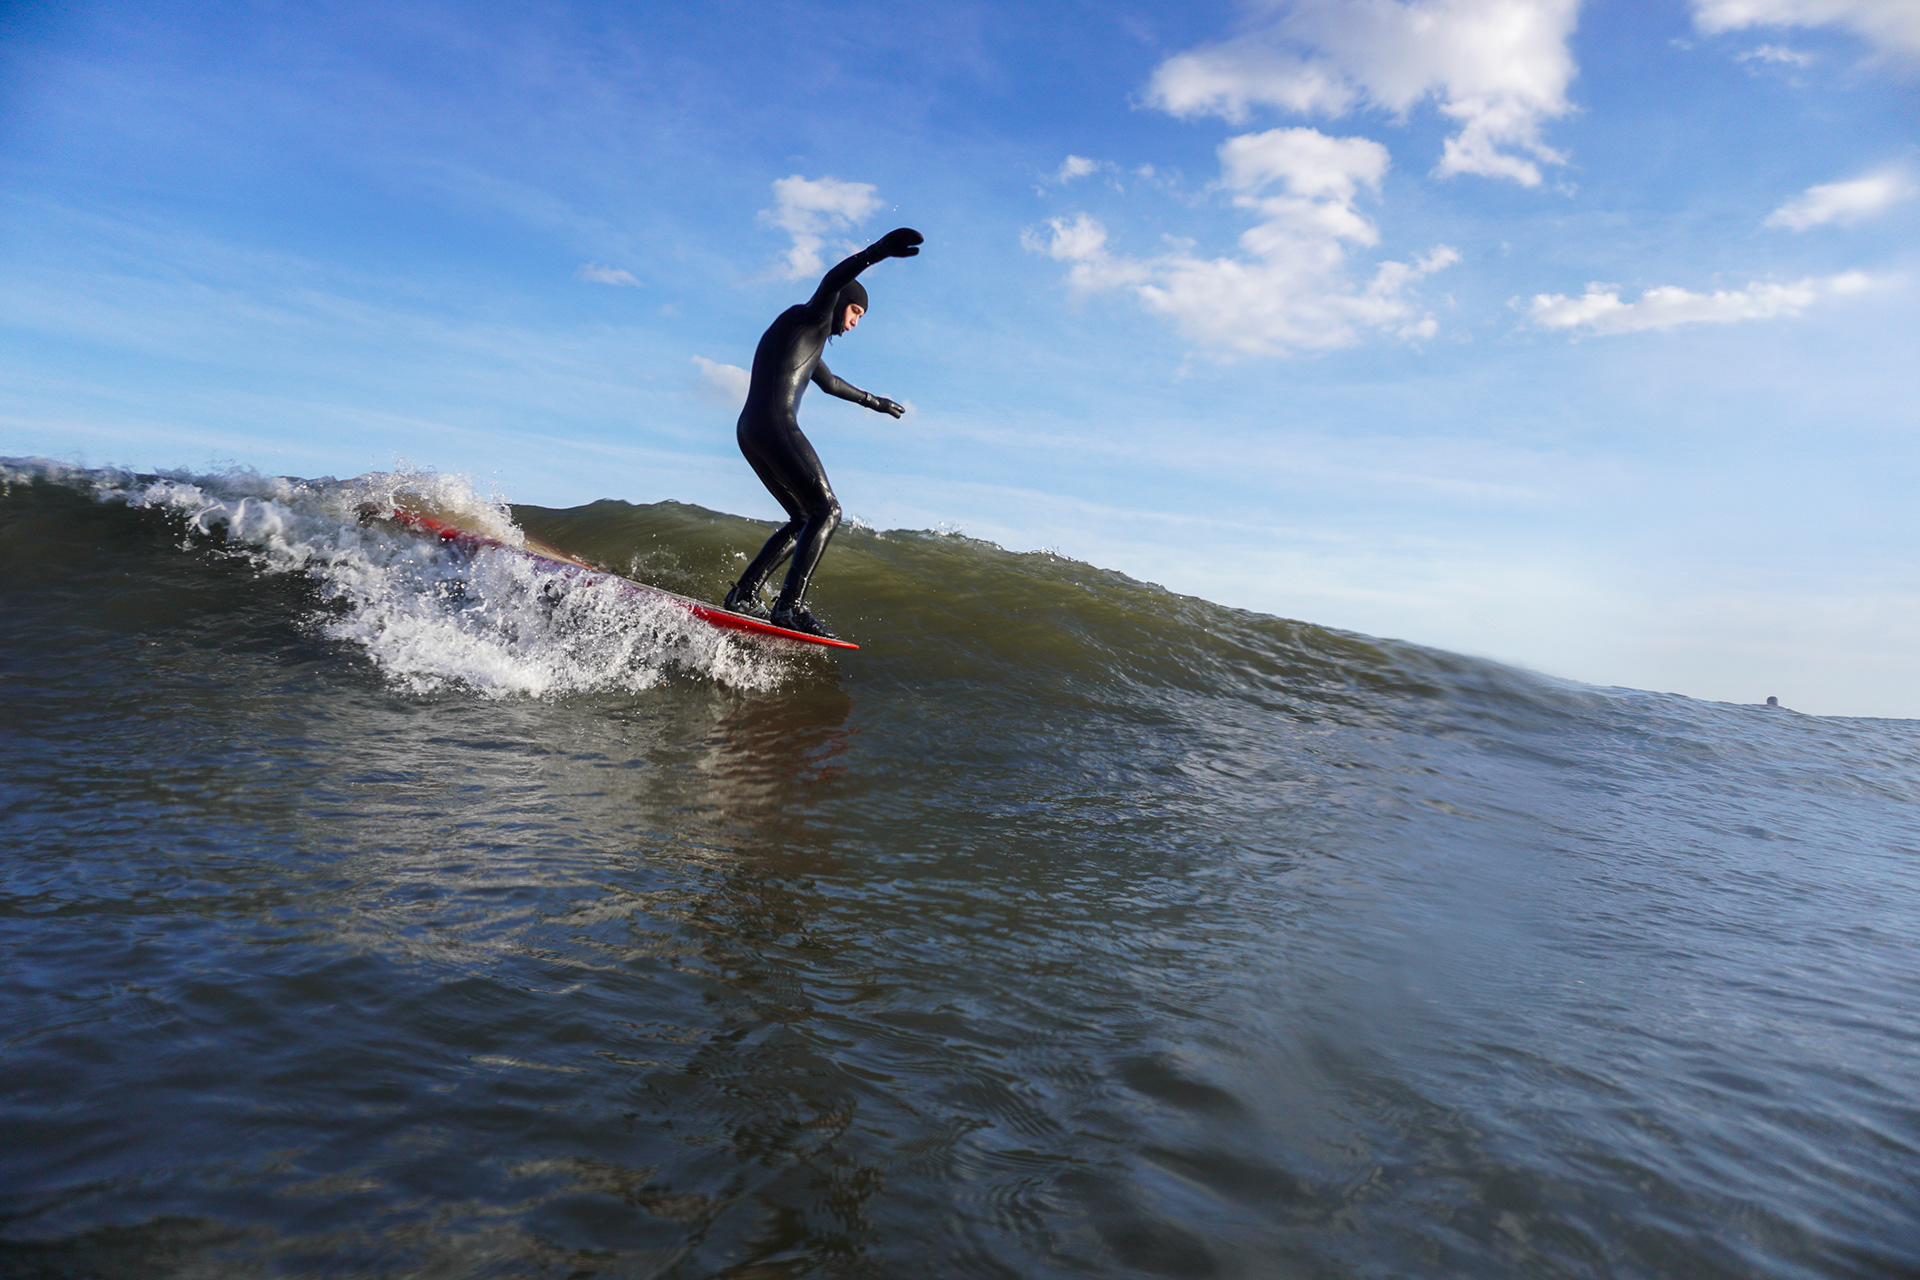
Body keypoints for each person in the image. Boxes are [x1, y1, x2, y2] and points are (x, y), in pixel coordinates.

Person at [722, 226, 924, 638]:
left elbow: (830, 384)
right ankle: (789, 607)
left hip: (750, 430)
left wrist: (876, 402)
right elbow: (832, 280)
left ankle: (744, 594)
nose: (854, 323)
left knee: (803, 517)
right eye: (855, 312)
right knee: (828, 511)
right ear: (841, 303)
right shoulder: (811, 316)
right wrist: (878, 251)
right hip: (775, 425)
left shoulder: (804, 337)